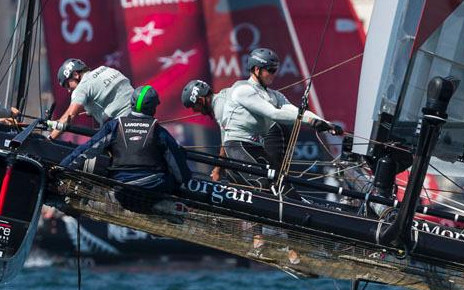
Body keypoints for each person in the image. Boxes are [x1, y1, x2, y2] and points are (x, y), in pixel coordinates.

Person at [220, 47, 342, 191]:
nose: (274, 74)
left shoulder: (273, 95)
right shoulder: (243, 90)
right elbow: (274, 114)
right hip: (237, 147)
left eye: (275, 70)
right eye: (270, 70)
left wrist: (327, 124)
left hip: (255, 148)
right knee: (264, 184)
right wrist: (309, 122)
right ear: (256, 69)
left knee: (281, 184)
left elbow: (297, 111)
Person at [60, 85, 191, 212]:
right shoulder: (159, 132)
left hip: (122, 192)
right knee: (173, 179)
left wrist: (62, 168)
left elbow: (85, 150)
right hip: (153, 190)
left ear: (131, 103)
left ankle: (156, 207)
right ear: (153, 108)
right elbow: (178, 168)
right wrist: (184, 182)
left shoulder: (115, 126)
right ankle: (161, 206)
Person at [48, 58, 134, 140]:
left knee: (86, 152)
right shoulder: (105, 69)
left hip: (122, 126)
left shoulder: (81, 88)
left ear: (75, 75)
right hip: (140, 114)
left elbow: (69, 116)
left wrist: (50, 138)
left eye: (67, 85)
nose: (69, 90)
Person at [181, 79, 230, 181]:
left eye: (194, 106)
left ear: (201, 100)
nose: (195, 111)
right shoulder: (223, 95)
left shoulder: (220, 108)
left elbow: (227, 143)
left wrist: (217, 170)